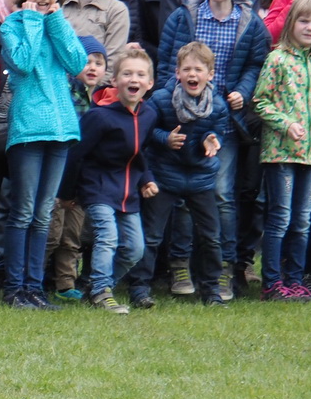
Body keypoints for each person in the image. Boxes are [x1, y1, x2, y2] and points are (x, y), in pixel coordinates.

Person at [156, 0, 269, 298]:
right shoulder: (184, 16)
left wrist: (242, 92)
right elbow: (166, 62)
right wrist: (168, 102)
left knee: (221, 195)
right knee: (181, 197)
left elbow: (256, 63)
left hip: (224, 124)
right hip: (184, 119)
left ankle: (223, 270)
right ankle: (180, 266)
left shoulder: (250, 23)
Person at [0, 0, 88, 309]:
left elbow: (77, 64)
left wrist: (56, 21)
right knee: (23, 211)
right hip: (29, 129)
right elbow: (23, 62)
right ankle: (14, 288)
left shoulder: (57, 23)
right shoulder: (13, 25)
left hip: (61, 129)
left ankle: (35, 287)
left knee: (44, 212)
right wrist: (33, 20)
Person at [128, 42, 229, 309]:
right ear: (177, 73)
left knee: (210, 236)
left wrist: (212, 139)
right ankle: (139, 288)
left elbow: (220, 131)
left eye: (199, 70)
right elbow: (145, 131)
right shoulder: (161, 99)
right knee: (152, 235)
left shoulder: (218, 105)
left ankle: (211, 291)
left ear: (210, 75)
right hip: (165, 175)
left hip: (201, 178)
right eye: (187, 69)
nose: (192, 75)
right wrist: (165, 138)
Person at [255, 0, 311, 298]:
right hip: (281, 153)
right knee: (281, 218)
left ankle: (294, 279)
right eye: (304, 21)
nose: (310, 27)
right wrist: (285, 123)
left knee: (303, 220)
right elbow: (260, 101)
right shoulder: (277, 59)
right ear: (291, 23)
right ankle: (271, 282)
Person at [76, 48, 159, 312]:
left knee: (135, 249)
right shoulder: (99, 116)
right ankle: (101, 292)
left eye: (140, 75)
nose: (134, 79)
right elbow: (76, 155)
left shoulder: (149, 115)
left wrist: (146, 178)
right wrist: (67, 194)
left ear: (150, 83)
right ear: (114, 80)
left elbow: (140, 151)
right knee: (108, 237)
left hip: (128, 193)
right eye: (127, 74)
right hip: (98, 189)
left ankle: (97, 286)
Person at [47, 37, 108, 300]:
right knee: (51, 233)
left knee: (73, 236)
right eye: (86, 61)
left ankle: (65, 283)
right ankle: (33, 279)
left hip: (82, 179)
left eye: (98, 63)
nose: (92, 67)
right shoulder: (67, 93)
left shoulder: (101, 101)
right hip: (60, 174)